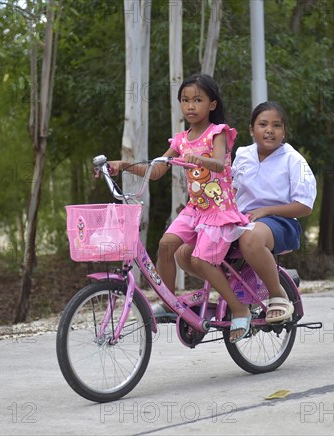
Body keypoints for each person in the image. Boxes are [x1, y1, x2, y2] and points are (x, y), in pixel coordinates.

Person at [103, 74, 251, 335]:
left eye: (197, 100)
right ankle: (170, 303)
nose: (190, 106)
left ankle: (239, 308)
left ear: (212, 105)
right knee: (166, 245)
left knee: (202, 260)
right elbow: (157, 170)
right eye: (185, 100)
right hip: (195, 211)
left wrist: (199, 159)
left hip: (219, 212)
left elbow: (218, 162)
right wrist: (123, 165)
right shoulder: (180, 140)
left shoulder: (217, 133)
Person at [232, 101, 317, 323]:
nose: (269, 130)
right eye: (263, 124)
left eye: (276, 125)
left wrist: (265, 210)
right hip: (242, 220)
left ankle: (277, 294)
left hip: (281, 223)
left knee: (250, 238)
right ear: (252, 129)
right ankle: (224, 301)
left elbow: (305, 206)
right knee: (187, 246)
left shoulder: (293, 160)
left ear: (284, 132)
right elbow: (232, 190)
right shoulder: (242, 155)